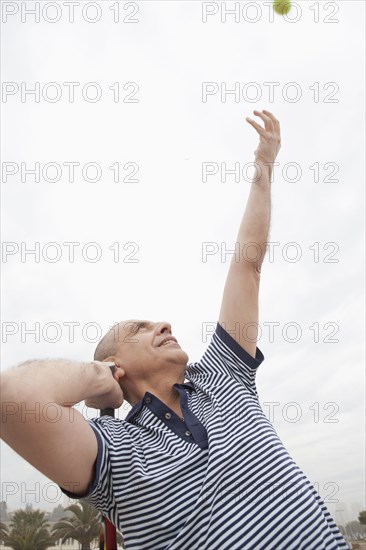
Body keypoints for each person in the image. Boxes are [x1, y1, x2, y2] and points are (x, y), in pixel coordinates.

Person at [0, 110, 349, 549]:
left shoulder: (223, 376)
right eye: (139, 328)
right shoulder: (114, 453)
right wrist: (99, 379)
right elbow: (12, 399)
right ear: (116, 364)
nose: (163, 324)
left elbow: (247, 266)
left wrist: (264, 169)